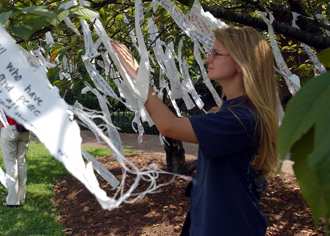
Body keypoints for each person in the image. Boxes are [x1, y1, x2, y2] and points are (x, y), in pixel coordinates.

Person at [111, 26, 279, 236]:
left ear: (241, 62)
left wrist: (138, 75)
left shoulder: (240, 119)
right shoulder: (232, 112)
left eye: (216, 54)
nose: (208, 59)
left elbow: (168, 126)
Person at [0, 106, 30, 208]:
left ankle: (13, 200)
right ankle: (21, 198)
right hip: (25, 128)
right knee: (21, 163)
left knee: (11, 164)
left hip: (10, 127)